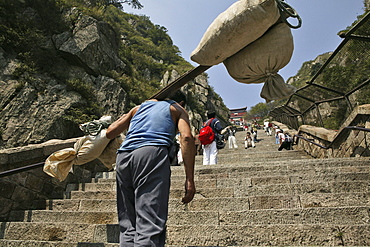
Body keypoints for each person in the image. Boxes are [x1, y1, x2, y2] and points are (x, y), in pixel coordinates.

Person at [106, 91, 196, 247]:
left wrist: (131, 114)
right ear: (181, 102)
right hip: (150, 154)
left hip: (123, 157)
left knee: (128, 223)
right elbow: (187, 137)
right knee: (149, 221)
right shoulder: (177, 109)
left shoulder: (138, 108)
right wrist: (189, 178)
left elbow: (110, 132)